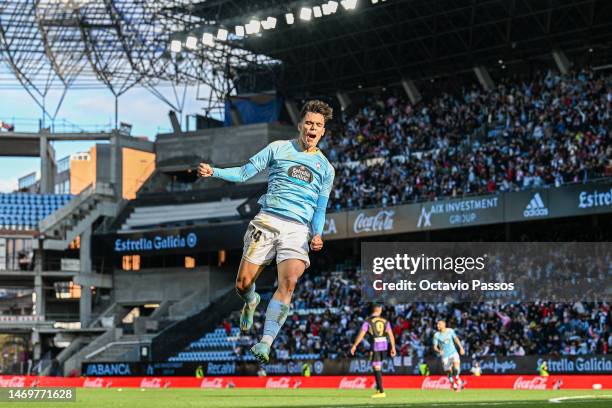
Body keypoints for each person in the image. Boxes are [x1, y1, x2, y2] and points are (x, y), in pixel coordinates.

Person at [198, 100, 335, 363]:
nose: (313, 128)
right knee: (242, 284)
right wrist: (213, 171)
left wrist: (317, 233)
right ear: (300, 125)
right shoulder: (278, 148)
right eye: (309, 123)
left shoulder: (326, 169)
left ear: (323, 131)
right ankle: (251, 301)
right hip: (267, 220)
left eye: (318, 125)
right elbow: (243, 173)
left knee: (289, 282)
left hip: (297, 229)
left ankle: (265, 342)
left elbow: (320, 207)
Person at [350, 304, 397, 398]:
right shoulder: (385, 321)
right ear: (379, 310)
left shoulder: (368, 321)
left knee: (376, 367)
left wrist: (355, 345)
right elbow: (391, 335)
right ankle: (378, 389)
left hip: (376, 344)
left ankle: (381, 392)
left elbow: (361, 334)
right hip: (384, 344)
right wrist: (393, 347)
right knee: (377, 366)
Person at [433, 320, 465, 392]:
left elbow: (456, 339)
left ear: (444, 325)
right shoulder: (436, 335)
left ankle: (457, 377)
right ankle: (454, 384)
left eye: (439, 324)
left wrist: (461, 348)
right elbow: (435, 347)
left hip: (453, 353)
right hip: (445, 356)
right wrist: (439, 350)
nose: (438, 326)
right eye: (437, 324)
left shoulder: (450, 331)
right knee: (449, 372)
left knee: (456, 365)